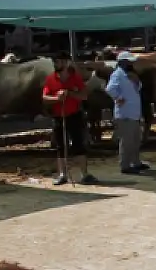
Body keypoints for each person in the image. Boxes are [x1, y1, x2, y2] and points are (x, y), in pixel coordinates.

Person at [41, 51, 96, 186]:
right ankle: (62, 175)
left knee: (79, 144)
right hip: (59, 116)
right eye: (54, 61)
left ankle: (84, 174)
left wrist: (69, 93)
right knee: (60, 146)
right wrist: (57, 98)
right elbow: (45, 98)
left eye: (58, 61)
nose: (55, 64)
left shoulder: (75, 78)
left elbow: (84, 96)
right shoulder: (50, 78)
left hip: (74, 115)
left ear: (66, 62)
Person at [105, 51, 147, 175]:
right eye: (128, 61)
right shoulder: (117, 74)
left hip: (134, 112)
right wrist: (118, 97)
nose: (131, 63)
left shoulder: (130, 74)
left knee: (135, 139)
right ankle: (125, 165)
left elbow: (138, 87)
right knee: (126, 140)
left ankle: (136, 162)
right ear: (122, 62)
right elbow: (109, 88)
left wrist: (136, 81)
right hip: (125, 113)